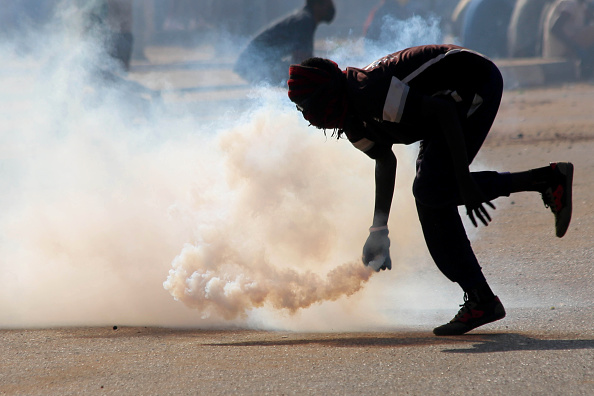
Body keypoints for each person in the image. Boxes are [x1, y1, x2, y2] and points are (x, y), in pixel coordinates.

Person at [286, 44, 574, 335]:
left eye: (306, 106)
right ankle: (481, 299)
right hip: (440, 113)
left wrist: (464, 181)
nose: (306, 117)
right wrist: (378, 232)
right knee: (429, 194)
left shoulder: (368, 92)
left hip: (474, 81)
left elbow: (444, 111)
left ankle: (546, 180)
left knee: (432, 189)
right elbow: (384, 160)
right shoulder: (350, 121)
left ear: (325, 94)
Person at [233, 0, 335, 86]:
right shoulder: (305, 21)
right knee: (306, 78)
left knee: (307, 77)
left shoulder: (304, 19)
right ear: (317, 5)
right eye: (329, 3)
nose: (332, 6)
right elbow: (303, 60)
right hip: (253, 64)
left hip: (254, 62)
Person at [543, 0, 594, 79]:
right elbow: (555, 29)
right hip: (561, 48)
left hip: (570, 45)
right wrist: (576, 47)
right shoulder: (571, 3)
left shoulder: (581, 5)